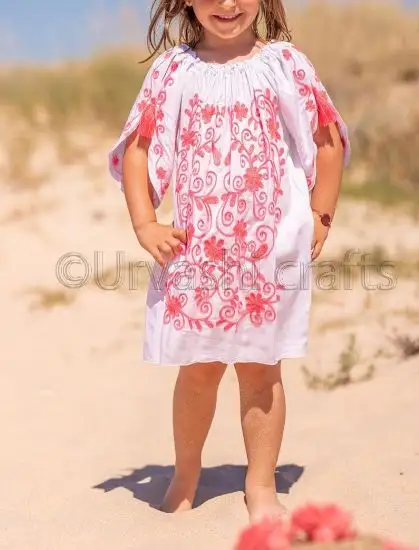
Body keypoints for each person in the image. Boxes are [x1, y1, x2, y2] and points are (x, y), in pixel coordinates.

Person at [108, 0, 350, 522]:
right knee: (198, 369)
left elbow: (327, 139)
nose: (228, 4)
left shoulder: (285, 64)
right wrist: (145, 222)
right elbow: (139, 148)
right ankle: (186, 475)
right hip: (197, 252)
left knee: (262, 370)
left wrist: (321, 216)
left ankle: (260, 484)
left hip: (269, 250)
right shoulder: (175, 70)